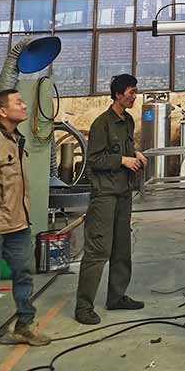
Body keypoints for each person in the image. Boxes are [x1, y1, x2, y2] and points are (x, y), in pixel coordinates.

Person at [0, 89, 51, 366]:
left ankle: (24, 326)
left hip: (18, 224)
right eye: (18, 102)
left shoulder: (16, 139)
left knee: (24, 274)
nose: (24, 105)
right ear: (3, 111)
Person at [75, 74, 148, 325]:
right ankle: (83, 307)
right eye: (131, 92)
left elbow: (123, 148)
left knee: (122, 249)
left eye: (135, 91)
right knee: (98, 250)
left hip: (123, 192)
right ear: (117, 94)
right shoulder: (101, 124)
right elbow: (94, 160)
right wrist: (122, 161)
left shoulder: (127, 121)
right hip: (105, 195)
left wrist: (135, 154)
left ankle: (116, 297)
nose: (134, 96)